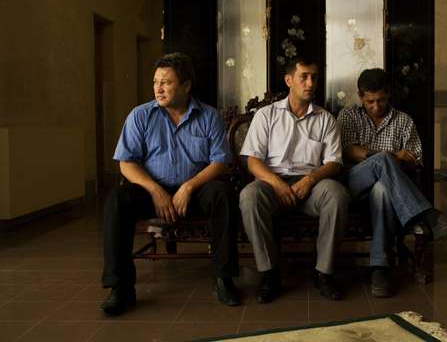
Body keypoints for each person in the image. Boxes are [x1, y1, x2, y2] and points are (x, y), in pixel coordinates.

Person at [101, 52, 240, 315]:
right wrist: (155, 190)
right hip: (151, 190)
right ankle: (120, 287)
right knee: (117, 200)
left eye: (166, 82)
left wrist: (188, 187)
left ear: (186, 85)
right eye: (155, 82)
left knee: (223, 193)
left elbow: (220, 162)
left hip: (197, 190)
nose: (159, 88)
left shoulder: (209, 116)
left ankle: (224, 278)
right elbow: (126, 163)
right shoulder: (140, 116)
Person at [337, 68, 447, 298]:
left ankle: (379, 267)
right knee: (382, 161)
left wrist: (393, 158)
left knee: (382, 190)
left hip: (389, 192)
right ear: (360, 96)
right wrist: (391, 156)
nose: (376, 106)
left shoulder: (404, 121)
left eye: (381, 100)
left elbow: (415, 159)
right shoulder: (348, 115)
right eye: (370, 101)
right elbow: (347, 151)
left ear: (388, 94)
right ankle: (430, 217)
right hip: (353, 184)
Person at [239, 56, 350, 303]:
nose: (310, 83)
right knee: (249, 196)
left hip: (312, 186)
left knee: (337, 194)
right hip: (272, 183)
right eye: (304, 77)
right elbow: (252, 161)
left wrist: (310, 180)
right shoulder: (266, 116)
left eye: (314, 77)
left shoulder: (325, 119)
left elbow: (333, 163)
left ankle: (324, 273)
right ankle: (269, 274)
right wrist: (277, 184)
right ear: (289, 80)